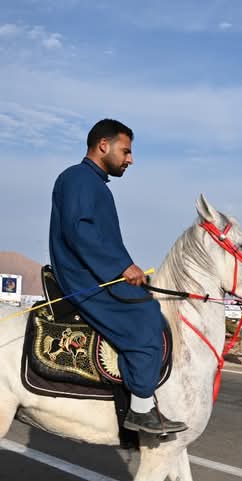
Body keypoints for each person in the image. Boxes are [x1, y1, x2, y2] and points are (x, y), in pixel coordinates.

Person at [49, 119, 186, 437]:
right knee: (145, 318)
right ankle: (140, 409)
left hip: (97, 272)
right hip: (86, 278)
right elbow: (80, 231)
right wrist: (122, 267)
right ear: (103, 146)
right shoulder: (79, 179)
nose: (130, 159)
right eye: (126, 151)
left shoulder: (92, 183)